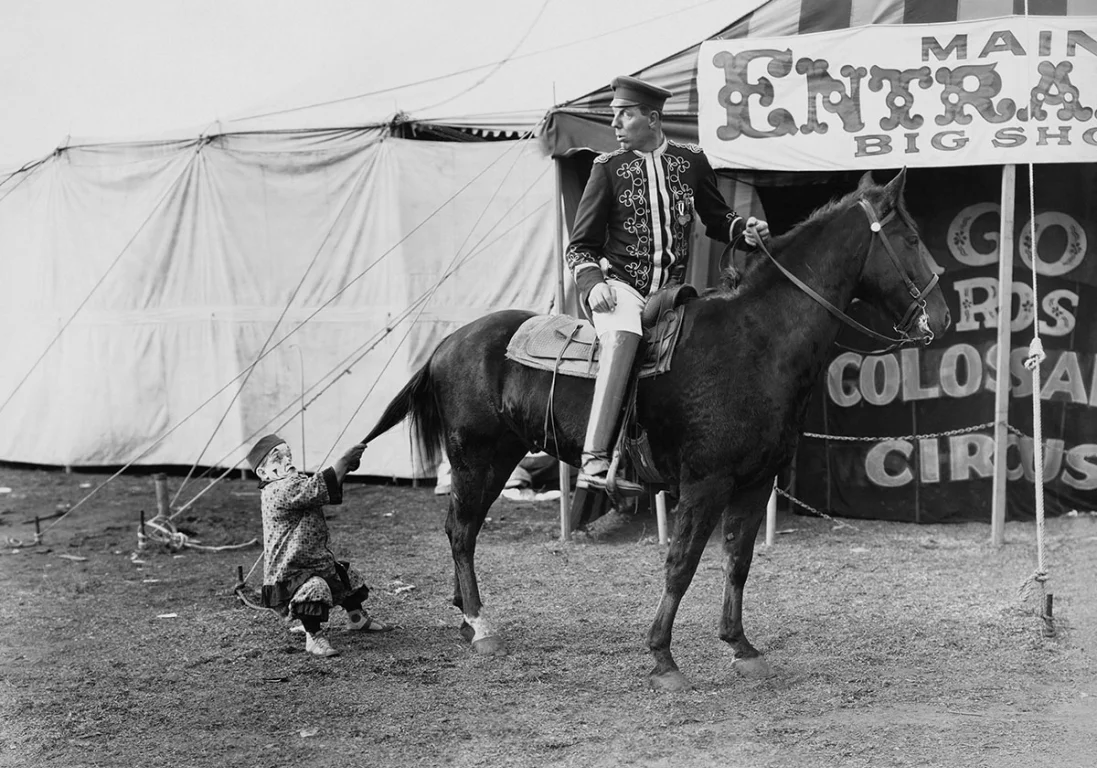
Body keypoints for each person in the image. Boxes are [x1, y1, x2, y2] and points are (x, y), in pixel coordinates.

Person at [565, 75, 771, 495]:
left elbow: (718, 219)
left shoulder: (692, 160)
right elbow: (579, 246)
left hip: (672, 293)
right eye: (614, 115)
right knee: (623, 335)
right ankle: (594, 457)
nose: (616, 124)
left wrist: (743, 230)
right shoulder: (607, 170)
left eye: (625, 115)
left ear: (653, 119)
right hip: (621, 288)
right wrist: (591, 284)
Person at [246, 434, 393, 658]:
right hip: (291, 573)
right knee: (315, 587)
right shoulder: (278, 490)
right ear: (263, 473)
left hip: (313, 561)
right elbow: (315, 488)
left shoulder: (293, 484)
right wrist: (343, 462)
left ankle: (356, 618)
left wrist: (343, 469)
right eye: (278, 458)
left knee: (345, 575)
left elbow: (316, 488)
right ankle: (313, 636)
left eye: (288, 455)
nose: (287, 460)